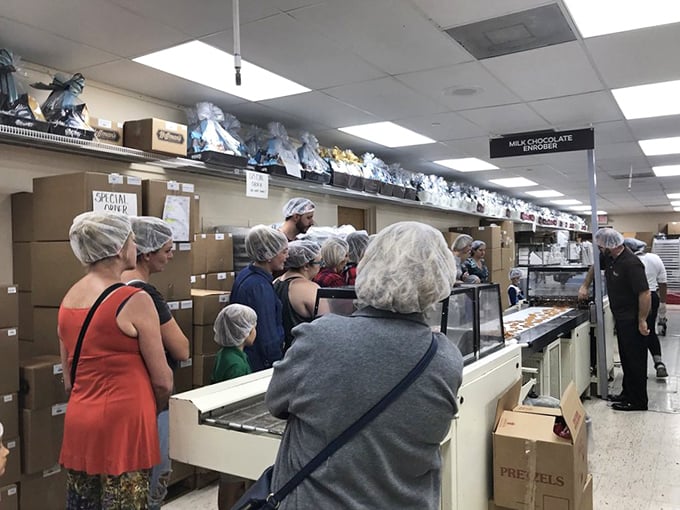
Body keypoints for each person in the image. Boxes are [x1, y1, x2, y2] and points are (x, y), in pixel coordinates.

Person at [266, 221, 464, 509]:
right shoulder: (446, 359)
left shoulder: (320, 337)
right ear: (440, 279)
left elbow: (276, 403)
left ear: (370, 264)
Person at [58, 212, 173, 508]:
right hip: (125, 425)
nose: (135, 246)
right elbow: (162, 380)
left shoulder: (69, 297)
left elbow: (69, 377)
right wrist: (152, 407)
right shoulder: (135, 300)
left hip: (81, 421)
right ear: (120, 248)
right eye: (133, 240)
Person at [122, 216, 191, 510]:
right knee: (152, 480)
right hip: (151, 400)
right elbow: (181, 348)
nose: (171, 255)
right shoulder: (144, 294)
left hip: (121, 402)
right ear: (147, 253)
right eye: (167, 248)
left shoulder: (106, 288)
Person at [578, 228, 650, 412]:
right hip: (621, 316)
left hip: (633, 319)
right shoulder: (610, 258)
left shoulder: (631, 263)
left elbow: (645, 293)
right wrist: (585, 285)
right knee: (626, 358)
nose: (600, 249)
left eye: (601, 246)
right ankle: (627, 393)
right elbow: (595, 266)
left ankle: (638, 401)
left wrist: (642, 320)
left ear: (611, 246)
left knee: (635, 360)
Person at [211, 303, 258, 510]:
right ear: (243, 331)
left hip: (225, 428)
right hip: (233, 428)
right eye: (253, 327)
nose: (256, 331)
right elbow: (238, 402)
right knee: (233, 479)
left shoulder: (227, 355)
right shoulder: (236, 365)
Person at [230, 225, 288, 371]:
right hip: (259, 362)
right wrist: (277, 364)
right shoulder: (259, 287)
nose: (286, 257)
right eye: (284, 252)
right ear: (269, 255)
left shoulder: (247, 274)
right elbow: (267, 335)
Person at [623, 238, 669, 379]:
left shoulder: (627, 261)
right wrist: (662, 304)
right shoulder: (655, 258)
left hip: (634, 299)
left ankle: (638, 370)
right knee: (649, 330)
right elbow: (663, 283)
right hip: (652, 298)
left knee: (634, 335)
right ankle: (659, 363)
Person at [273, 240, 323, 352]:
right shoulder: (310, 288)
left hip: (282, 351)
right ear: (306, 266)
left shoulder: (276, 282)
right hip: (303, 353)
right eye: (319, 263)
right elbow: (327, 325)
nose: (320, 267)